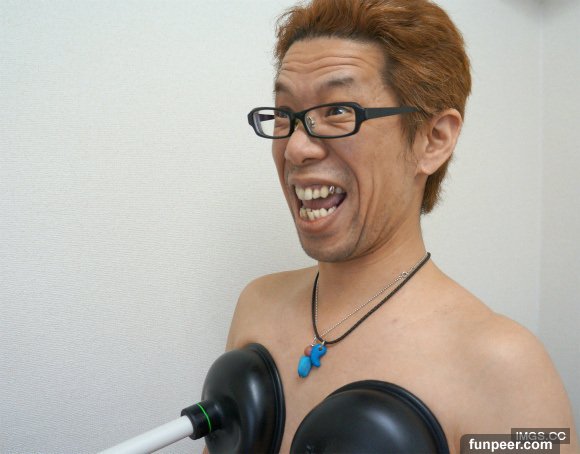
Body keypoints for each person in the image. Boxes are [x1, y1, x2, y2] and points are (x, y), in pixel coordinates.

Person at [227, 0, 578, 452]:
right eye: (284, 113)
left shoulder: (505, 368)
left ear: (433, 140)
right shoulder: (256, 304)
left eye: (337, 111)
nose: (295, 148)